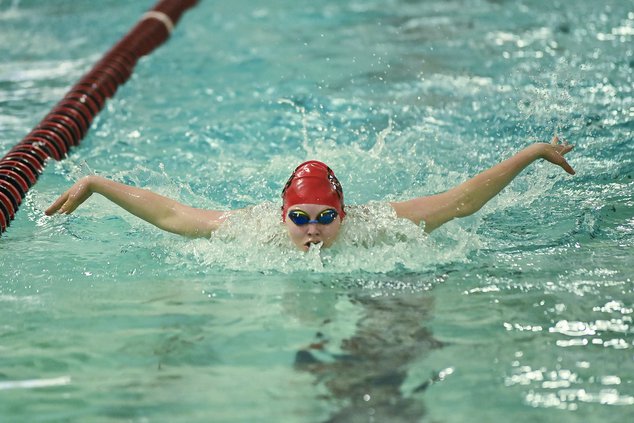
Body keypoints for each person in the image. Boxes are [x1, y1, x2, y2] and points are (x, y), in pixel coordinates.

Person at [45, 137, 575, 251]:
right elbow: (170, 214)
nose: (314, 228)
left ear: (345, 213)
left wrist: (529, 154)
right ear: (283, 216)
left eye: (326, 216)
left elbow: (461, 201)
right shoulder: (256, 230)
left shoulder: (376, 224)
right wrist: (95, 183)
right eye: (300, 218)